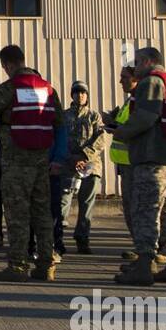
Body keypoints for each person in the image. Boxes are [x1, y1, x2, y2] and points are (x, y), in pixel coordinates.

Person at [0, 45, 67, 281]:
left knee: (17, 214)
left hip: (15, 162)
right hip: (41, 161)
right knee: (43, 213)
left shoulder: (8, 88)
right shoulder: (47, 89)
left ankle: (18, 265)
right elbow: (61, 123)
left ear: (8, 64)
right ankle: (46, 265)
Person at [107, 46, 166, 286]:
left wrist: (120, 132)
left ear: (148, 61)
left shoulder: (151, 82)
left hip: (152, 158)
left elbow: (145, 117)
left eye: (138, 61)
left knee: (146, 209)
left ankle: (144, 264)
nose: (135, 67)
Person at [56, 80, 104, 255]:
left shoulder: (94, 116)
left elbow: (100, 139)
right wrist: (70, 158)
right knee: (63, 201)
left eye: (83, 92)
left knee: (87, 203)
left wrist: (84, 155)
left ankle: (82, 238)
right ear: (72, 95)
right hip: (68, 165)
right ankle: (58, 238)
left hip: (90, 166)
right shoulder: (63, 115)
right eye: (76, 92)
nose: (80, 95)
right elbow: (59, 139)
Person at [107, 66, 140, 262]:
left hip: (133, 163)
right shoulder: (129, 102)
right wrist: (112, 121)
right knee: (129, 207)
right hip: (124, 164)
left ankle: (147, 248)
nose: (121, 81)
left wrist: (114, 126)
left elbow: (133, 129)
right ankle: (139, 244)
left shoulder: (138, 102)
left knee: (136, 207)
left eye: (124, 77)